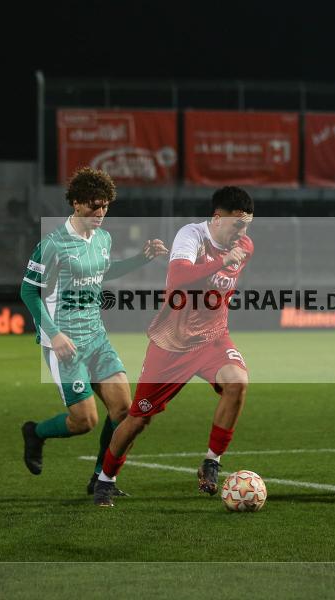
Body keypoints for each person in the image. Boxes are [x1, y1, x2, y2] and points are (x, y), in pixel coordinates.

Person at [93, 186, 255, 507]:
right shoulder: (191, 235)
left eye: (247, 224)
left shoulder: (244, 245)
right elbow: (178, 277)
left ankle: (211, 461)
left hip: (212, 338)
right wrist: (221, 261)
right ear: (217, 218)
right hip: (172, 342)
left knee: (237, 382)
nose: (243, 232)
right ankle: (105, 480)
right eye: (237, 224)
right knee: (138, 418)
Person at [19, 167, 167, 496]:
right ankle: (36, 433)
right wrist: (55, 334)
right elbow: (29, 292)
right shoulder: (53, 244)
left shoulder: (103, 238)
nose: (100, 213)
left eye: (105, 206)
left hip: (96, 338)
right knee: (84, 421)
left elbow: (104, 270)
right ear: (75, 203)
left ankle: (102, 478)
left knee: (125, 411)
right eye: (93, 206)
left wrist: (140, 260)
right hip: (65, 343)